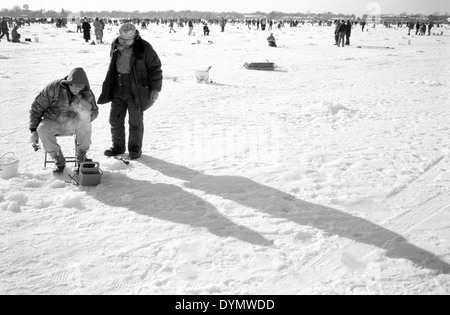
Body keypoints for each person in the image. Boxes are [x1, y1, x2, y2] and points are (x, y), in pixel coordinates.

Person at [98, 23, 163, 160]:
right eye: (124, 36)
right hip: (118, 88)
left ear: (134, 34)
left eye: (129, 37)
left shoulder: (144, 47)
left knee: (135, 122)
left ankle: (134, 150)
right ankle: (118, 147)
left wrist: (155, 89)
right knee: (115, 120)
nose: (127, 40)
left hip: (136, 90)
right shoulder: (115, 45)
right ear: (120, 34)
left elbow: (155, 68)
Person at [29, 68, 99, 173]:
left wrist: (86, 116)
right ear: (69, 83)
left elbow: (94, 110)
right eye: (74, 86)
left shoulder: (86, 93)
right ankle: (57, 158)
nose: (77, 89)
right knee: (42, 129)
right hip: (53, 121)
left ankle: (82, 156)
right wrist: (33, 130)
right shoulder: (54, 88)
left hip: (74, 123)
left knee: (86, 124)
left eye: (80, 87)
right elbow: (37, 107)